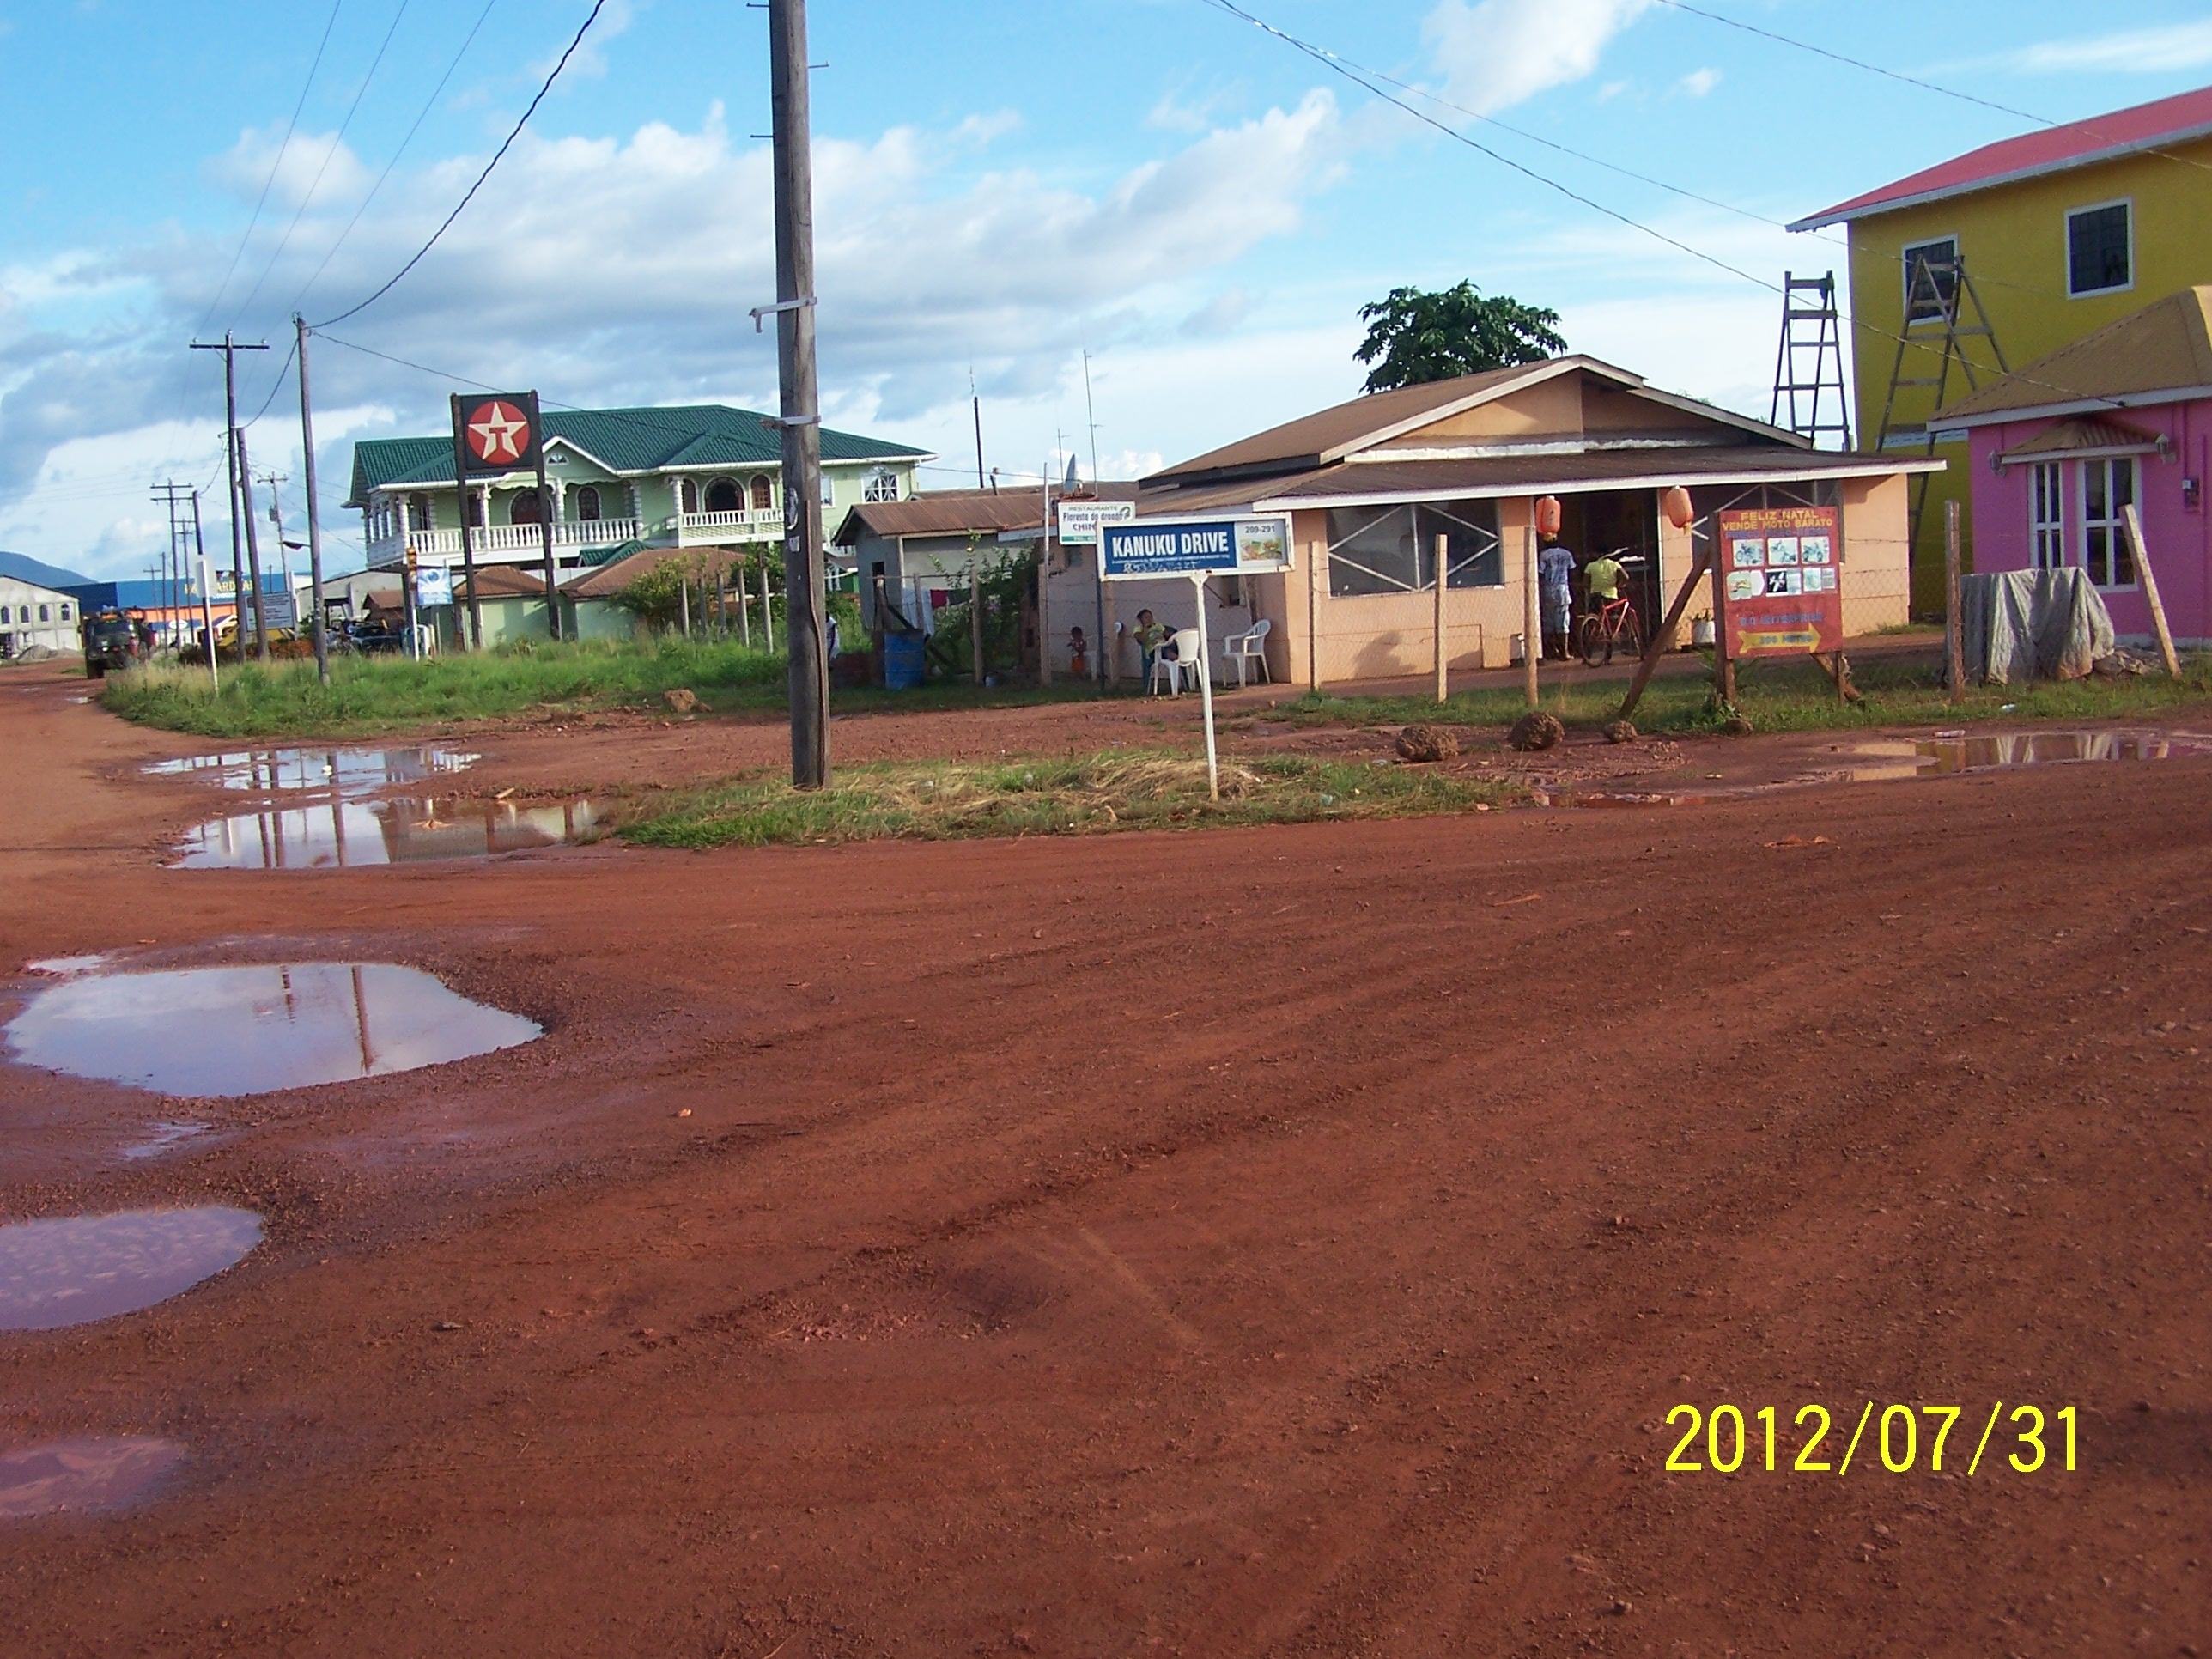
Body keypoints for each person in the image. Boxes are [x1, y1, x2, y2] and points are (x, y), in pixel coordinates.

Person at [1537, 538, 1577, 661]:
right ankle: (1564, 652)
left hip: (1548, 589)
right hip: (1562, 588)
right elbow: (1572, 571)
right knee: (1563, 621)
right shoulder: (1566, 554)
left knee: (1548, 621)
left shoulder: (1544, 555)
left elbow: (1541, 572)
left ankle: (1551, 651)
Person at [1133, 609, 1169, 684]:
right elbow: (1143, 640)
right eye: (1146, 617)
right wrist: (1146, 629)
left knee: (1171, 646)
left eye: (1150, 617)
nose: (1149, 619)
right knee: (1163, 650)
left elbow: (1168, 635)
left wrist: (1167, 634)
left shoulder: (1158, 626)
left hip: (1165, 646)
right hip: (1153, 651)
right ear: (1141, 620)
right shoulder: (1138, 629)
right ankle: (1174, 656)